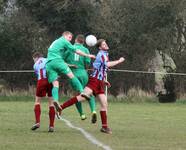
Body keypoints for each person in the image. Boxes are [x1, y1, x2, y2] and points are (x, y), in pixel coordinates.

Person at [58, 39, 125, 134]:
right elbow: (107, 65)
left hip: (99, 82)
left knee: (104, 104)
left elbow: (99, 68)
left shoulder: (104, 54)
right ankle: (61, 107)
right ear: (100, 47)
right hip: (94, 81)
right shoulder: (101, 54)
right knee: (81, 97)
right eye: (103, 44)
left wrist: (103, 80)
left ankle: (104, 127)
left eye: (106, 43)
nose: (106, 45)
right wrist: (119, 61)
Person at [46, 31, 95, 112]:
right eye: (69, 37)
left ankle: (56, 100)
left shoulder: (55, 42)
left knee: (55, 84)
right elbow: (76, 51)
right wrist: (88, 55)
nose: (70, 40)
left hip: (49, 64)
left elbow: (61, 59)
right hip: (57, 61)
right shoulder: (64, 41)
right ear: (64, 35)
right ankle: (82, 92)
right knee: (72, 76)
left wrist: (71, 65)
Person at [63, 34, 97, 123]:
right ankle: (93, 110)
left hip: (73, 74)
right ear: (83, 42)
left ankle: (82, 114)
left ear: (75, 40)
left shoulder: (70, 48)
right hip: (83, 73)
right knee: (89, 93)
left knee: (77, 95)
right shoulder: (85, 50)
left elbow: (62, 60)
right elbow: (87, 62)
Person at [31, 52, 55, 132]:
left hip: (41, 81)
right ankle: (51, 126)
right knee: (51, 103)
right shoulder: (48, 60)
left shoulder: (35, 65)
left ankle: (37, 122)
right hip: (50, 81)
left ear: (36, 57)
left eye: (33, 59)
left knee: (37, 101)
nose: (34, 61)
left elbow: (37, 73)